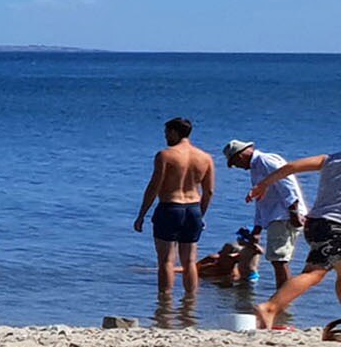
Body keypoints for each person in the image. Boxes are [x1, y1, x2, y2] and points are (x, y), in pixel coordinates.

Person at [250, 149, 341, 330]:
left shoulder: (330, 159)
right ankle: (270, 308)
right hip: (335, 226)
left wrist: (264, 184)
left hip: (315, 223)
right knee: (314, 273)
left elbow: (290, 167)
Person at [136, 117, 217, 296]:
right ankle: (190, 304)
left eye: (166, 133)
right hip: (193, 209)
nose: (165, 137)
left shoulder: (165, 155)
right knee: (189, 261)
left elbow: (154, 186)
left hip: (170, 208)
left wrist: (142, 214)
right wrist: (200, 214)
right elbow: (209, 191)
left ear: (174, 132)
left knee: (166, 261)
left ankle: (164, 303)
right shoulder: (205, 158)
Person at [225, 140, 309, 292]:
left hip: (283, 215)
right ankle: (282, 297)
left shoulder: (265, 160)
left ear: (241, 155)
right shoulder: (255, 168)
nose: (237, 166)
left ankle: (282, 299)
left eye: (234, 162)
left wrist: (294, 212)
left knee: (279, 260)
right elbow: (261, 201)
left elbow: (287, 184)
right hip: (276, 216)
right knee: (277, 260)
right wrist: (257, 229)